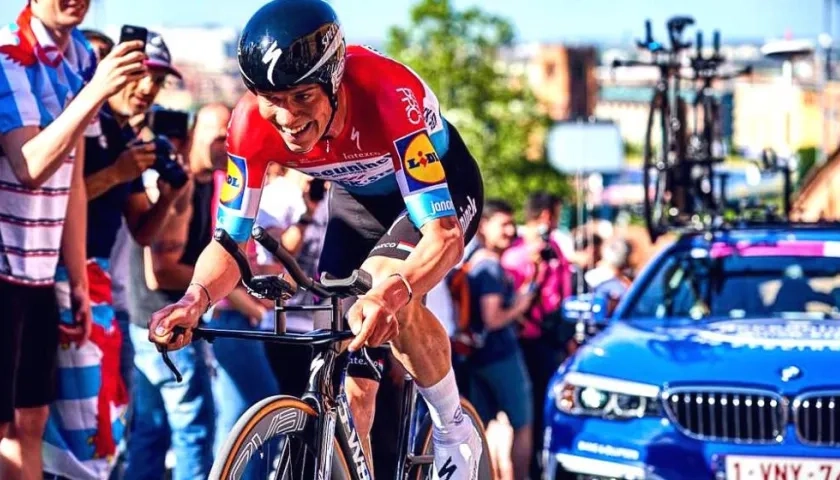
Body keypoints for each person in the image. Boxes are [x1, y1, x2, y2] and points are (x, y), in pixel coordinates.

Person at [147, 0, 486, 477]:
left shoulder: (388, 95)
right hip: (356, 200)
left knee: (387, 288)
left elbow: (443, 236)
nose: (286, 117)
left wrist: (396, 291)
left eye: (302, 97)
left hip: (436, 190)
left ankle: (453, 427)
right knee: (348, 388)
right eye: (272, 99)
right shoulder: (248, 125)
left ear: (333, 80)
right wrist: (195, 299)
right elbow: (228, 243)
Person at [0, 0, 147, 477]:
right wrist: (97, 91)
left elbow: (74, 179)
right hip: (3, 274)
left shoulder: (80, 55)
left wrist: (79, 276)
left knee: (30, 424)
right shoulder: (7, 54)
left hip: (41, 278)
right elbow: (31, 166)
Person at [42, 30, 190, 480]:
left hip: (104, 297)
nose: (147, 89)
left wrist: (170, 193)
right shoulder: (80, 125)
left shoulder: (123, 137)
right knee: (67, 431)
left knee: (107, 426)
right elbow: (49, 203)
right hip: (61, 285)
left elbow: (143, 231)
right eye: (140, 73)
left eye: (158, 80)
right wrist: (116, 173)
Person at [460, 199, 534, 480]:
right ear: (484, 226)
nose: (511, 230)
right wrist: (522, 304)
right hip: (500, 356)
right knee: (522, 424)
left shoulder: (472, 259)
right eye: (503, 224)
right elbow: (492, 318)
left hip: (476, 356)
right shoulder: (489, 266)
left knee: (483, 425)